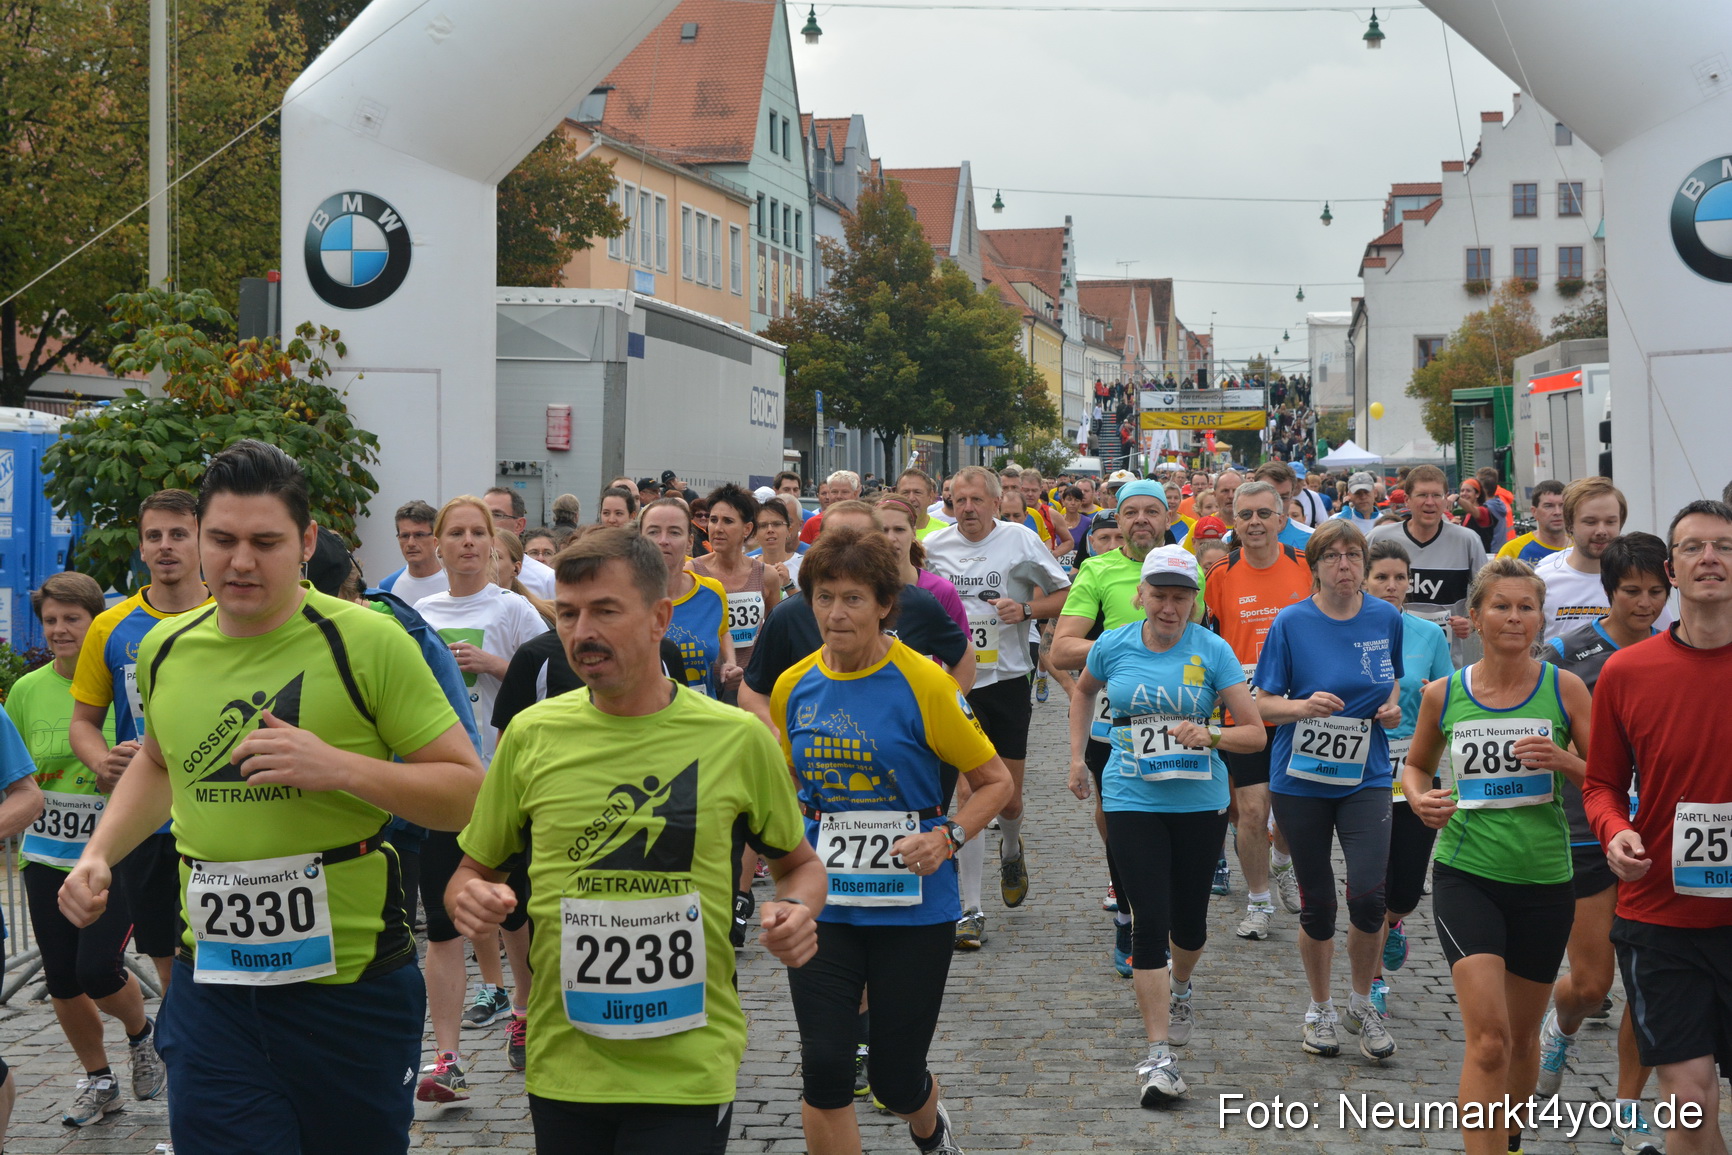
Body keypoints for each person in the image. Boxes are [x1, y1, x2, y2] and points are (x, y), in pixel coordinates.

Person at [59, 439, 484, 1155]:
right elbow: (161, 764)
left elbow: (467, 792)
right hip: (213, 984)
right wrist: (99, 853)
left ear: (307, 540)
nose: (241, 561)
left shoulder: (368, 642)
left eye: (265, 541)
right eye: (221, 540)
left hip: (348, 987)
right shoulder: (165, 647)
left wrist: (339, 766)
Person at [447, 528, 825, 1155]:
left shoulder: (738, 738)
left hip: (688, 1064)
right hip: (565, 1060)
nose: (581, 631)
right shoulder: (530, 737)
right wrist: (470, 899)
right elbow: (471, 870)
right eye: (567, 613)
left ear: (659, 618)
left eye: (604, 611)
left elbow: (800, 866)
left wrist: (797, 907)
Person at [774, 527, 1011, 1155]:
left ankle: (929, 1128)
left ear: (884, 604)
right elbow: (792, 787)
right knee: (825, 1069)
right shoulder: (793, 686)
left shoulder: (926, 683)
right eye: (823, 597)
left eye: (852, 599)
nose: (835, 613)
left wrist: (948, 837)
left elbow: (994, 782)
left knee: (894, 1077)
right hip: (826, 903)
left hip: (913, 905)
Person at [1403, 556, 1590, 1155]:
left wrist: (1565, 762)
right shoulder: (1444, 693)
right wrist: (1420, 799)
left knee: (1523, 1040)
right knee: (1488, 1040)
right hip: (1468, 874)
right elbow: (1415, 765)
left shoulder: (1565, 689)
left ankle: (1507, 1136)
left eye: (1526, 607)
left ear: (1541, 617)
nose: (1515, 617)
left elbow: (1607, 778)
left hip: (1544, 878)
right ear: (1476, 617)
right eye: (1501, 606)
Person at [1067, 546, 1263, 1104]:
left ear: (1195, 601)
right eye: (1160, 595)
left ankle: (1182, 986)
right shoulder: (1113, 644)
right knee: (1147, 921)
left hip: (1199, 802)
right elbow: (1082, 692)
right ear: (1141, 595)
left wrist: (1214, 735)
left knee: (1190, 926)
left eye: (1180, 596)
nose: (1169, 607)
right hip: (1131, 797)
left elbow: (1255, 733)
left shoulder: (1214, 650)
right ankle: (1159, 1055)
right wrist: (1077, 757)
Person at [1585, 500, 1732, 1155]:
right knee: (1693, 1100)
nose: (1711, 558)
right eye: (1695, 548)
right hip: (1662, 920)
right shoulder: (1627, 672)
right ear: (1673, 568)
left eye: (1724, 546)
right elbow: (1602, 784)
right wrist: (1615, 829)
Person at [411, 496, 549, 1102]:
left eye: (477, 533)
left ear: (494, 544)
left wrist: (495, 664)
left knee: (513, 912)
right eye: (456, 534)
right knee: (441, 922)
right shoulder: (419, 612)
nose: (467, 543)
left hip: (505, 781)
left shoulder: (514, 608)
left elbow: (554, 688)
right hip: (442, 784)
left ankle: (523, 1008)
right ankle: (446, 1057)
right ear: (436, 546)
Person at [1535, 532, 1669, 1152]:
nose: (1645, 603)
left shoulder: (1680, 652)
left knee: (1646, 984)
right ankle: (1559, 1032)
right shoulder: (1566, 654)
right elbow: (1537, 745)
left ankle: (1628, 1104)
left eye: (1656, 591)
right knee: (1592, 986)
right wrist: (1571, 764)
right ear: (1608, 591)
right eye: (1632, 591)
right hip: (1586, 833)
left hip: (1661, 842)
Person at [1255, 519, 1404, 1063]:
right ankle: (1318, 1007)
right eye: (1333, 557)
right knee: (1318, 905)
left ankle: (1361, 1003)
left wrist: (1390, 708)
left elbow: (1388, 679)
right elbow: (1261, 702)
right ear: (1314, 566)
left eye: (1354, 555)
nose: (1345, 565)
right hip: (1301, 779)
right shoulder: (1291, 623)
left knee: (1369, 897)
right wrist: (1302, 707)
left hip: (1366, 773)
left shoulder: (1387, 616)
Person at [69, 488, 213, 992]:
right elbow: (83, 722)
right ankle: (186, 1062)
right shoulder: (110, 626)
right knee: (172, 965)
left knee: (224, 954)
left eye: (179, 534)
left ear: (200, 541)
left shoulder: (232, 615)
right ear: (141, 545)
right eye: (154, 536)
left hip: (223, 812)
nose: (166, 546)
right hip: (149, 826)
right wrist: (102, 761)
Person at [1051, 484, 1198, 967]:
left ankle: (1167, 915)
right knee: (1122, 818)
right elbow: (1063, 648)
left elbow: (1207, 636)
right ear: (1117, 517)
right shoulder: (1097, 569)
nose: (1140, 520)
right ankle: (1129, 919)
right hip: (1116, 724)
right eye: (1130, 511)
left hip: (1182, 717)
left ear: (1167, 515)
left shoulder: (1187, 565)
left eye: (1151, 511)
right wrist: (1129, 646)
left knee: (1181, 822)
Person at [924, 466, 1071, 948]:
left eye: (975, 501)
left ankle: (1011, 847)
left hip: (1006, 678)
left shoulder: (1019, 541)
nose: (967, 509)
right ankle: (970, 909)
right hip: (953, 683)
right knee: (968, 795)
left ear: (994, 502)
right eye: (958, 500)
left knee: (1007, 797)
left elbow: (1064, 594)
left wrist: (1026, 610)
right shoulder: (935, 548)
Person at [19, 579, 145, 1126]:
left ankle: (144, 1034)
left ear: (97, 624)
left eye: (72, 619)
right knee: (62, 978)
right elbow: (17, 775)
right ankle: (99, 1079)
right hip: (45, 854)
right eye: (50, 620)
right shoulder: (27, 691)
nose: (59, 630)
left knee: (97, 968)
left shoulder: (120, 687)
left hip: (111, 855)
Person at [739, 502, 974, 733]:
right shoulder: (789, 615)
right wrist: (782, 735)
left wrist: (938, 718)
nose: (847, 549)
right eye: (836, 538)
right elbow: (752, 689)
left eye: (860, 538)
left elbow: (963, 656)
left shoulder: (918, 603)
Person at [1199, 480, 1309, 934]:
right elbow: (1204, 641)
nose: (1255, 523)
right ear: (1235, 523)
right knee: (1249, 809)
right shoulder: (1220, 575)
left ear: (1282, 520)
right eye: (1246, 516)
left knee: (1291, 809)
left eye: (1265, 514)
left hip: (1302, 707)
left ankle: (1282, 860)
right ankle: (1259, 902)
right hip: (1244, 711)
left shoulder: (1307, 567)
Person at [1361, 540, 1453, 1017]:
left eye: (1400, 577)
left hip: (1416, 774)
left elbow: (1448, 700)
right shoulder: (1348, 632)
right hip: (1363, 776)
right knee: (1373, 882)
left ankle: (1396, 923)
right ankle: (1372, 980)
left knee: (1405, 889)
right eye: (1382, 577)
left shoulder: (1428, 635)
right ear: (1364, 580)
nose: (1392, 586)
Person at [1367, 464, 1488, 666]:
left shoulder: (1467, 541)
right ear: (1407, 499)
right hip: (1386, 656)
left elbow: (1487, 595)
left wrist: (1471, 622)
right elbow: (1354, 589)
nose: (1430, 503)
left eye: (1437, 495)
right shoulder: (1378, 538)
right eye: (1422, 495)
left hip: (1444, 661)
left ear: (1446, 499)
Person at [1536, 476, 1672, 643]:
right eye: (1590, 522)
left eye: (1610, 522)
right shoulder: (1544, 578)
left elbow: (1664, 638)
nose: (1601, 531)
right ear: (1570, 523)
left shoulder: (1640, 577)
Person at [691, 484, 780, 703]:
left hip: (752, 683)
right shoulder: (691, 572)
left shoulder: (766, 575)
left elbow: (775, 632)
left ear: (747, 529)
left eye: (728, 521)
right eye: (713, 520)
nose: (717, 528)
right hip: (705, 684)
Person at [641, 498, 737, 699]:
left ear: (689, 542)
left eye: (674, 532)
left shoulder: (712, 593)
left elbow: (722, 633)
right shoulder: (623, 598)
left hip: (701, 719)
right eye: (653, 532)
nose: (663, 540)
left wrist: (729, 663)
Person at [875, 494, 970, 640]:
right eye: (883, 530)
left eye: (899, 529)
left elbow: (965, 655)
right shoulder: (863, 589)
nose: (891, 538)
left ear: (913, 532)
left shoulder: (942, 590)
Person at [484, 487, 557, 599]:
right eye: (484, 514)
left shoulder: (545, 578)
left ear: (519, 525)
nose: (487, 522)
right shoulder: (464, 571)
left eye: (497, 515)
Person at [377, 499, 448, 605]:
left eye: (419, 535)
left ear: (436, 537)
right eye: (405, 536)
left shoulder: (456, 581)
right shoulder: (387, 588)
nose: (410, 543)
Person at [1499, 479, 1568, 564]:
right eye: (1549, 506)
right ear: (1534, 512)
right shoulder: (1513, 551)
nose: (1557, 512)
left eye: (1562, 506)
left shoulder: (1581, 547)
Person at [750, 494, 806, 594]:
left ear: (789, 530)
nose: (770, 530)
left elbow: (811, 607)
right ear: (754, 533)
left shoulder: (804, 565)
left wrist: (788, 585)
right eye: (763, 525)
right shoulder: (747, 566)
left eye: (777, 524)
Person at [802, 470, 862, 545]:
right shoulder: (813, 522)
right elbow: (803, 555)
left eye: (845, 492)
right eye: (834, 492)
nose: (839, 496)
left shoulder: (866, 521)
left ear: (855, 494)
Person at [1453, 479, 1507, 553]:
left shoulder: (1484, 512)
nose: (1464, 494)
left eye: (1468, 491)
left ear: (1477, 494)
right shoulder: (1466, 515)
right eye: (1462, 491)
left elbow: (1472, 509)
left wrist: (1457, 498)